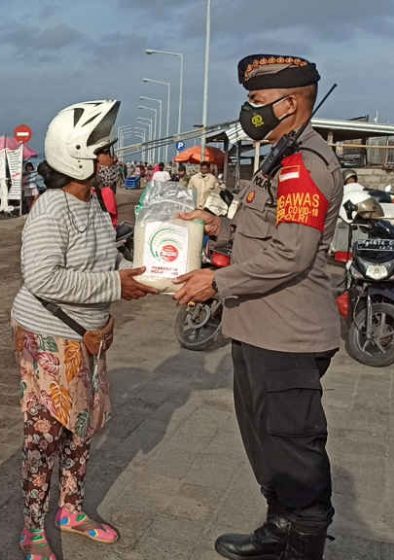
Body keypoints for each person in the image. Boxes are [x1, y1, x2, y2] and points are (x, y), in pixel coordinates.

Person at [174, 55, 342, 560]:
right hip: (258, 329)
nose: (248, 113)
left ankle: (301, 546)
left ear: (290, 103)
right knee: (265, 444)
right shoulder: (280, 155)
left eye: (256, 103)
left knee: (293, 451)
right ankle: (278, 529)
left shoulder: (304, 166)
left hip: (286, 336)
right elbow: (263, 235)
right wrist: (215, 225)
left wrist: (217, 281)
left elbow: (292, 252)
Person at [11, 100, 157, 560]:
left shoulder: (90, 204)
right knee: (44, 434)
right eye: (105, 152)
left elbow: (104, 260)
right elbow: (41, 278)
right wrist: (115, 283)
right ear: (78, 156)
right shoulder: (53, 208)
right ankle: (32, 527)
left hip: (89, 338)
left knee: (82, 429)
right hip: (49, 337)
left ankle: (70, 510)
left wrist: (147, 273)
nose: (112, 161)